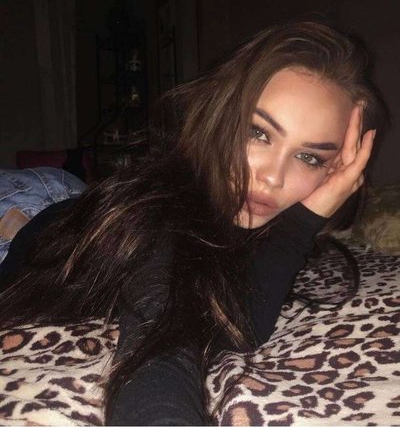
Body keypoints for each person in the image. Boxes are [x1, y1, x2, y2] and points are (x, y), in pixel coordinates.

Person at [0, 21, 385, 425]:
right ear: (221, 115)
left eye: (310, 157)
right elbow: (163, 346)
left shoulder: (255, 216)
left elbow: (240, 320)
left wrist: (311, 213)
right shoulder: (162, 216)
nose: (273, 178)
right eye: (257, 133)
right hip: (31, 202)